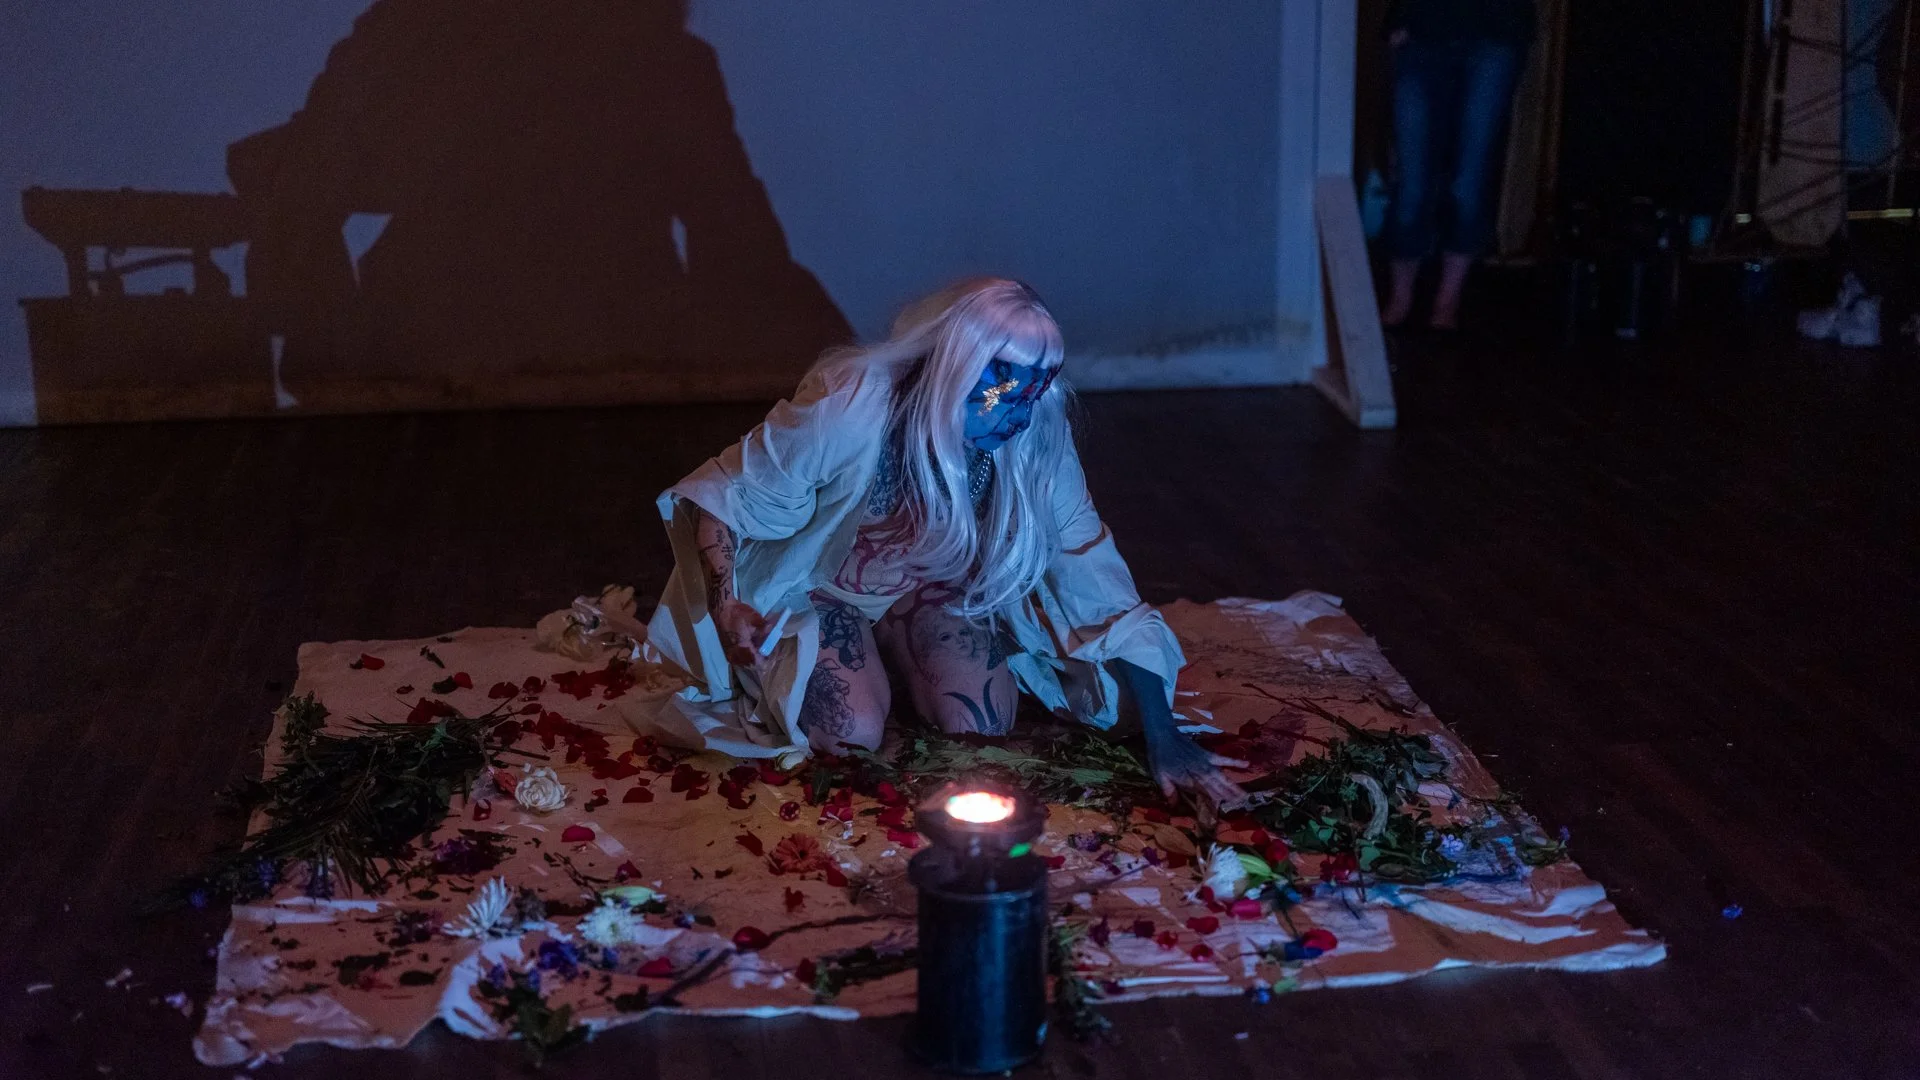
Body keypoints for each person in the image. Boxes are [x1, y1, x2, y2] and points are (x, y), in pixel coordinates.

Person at [628, 278, 1245, 808]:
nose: (1018, 418)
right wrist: (728, 605)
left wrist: (1164, 735)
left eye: (1032, 397)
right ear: (954, 371)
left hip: (928, 590)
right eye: (1003, 395)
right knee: (850, 735)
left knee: (982, 726)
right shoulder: (852, 406)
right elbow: (724, 498)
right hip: (824, 592)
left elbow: (1094, 576)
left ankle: (895, 656)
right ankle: (862, 667)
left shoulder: (1032, 440)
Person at [1379, 0, 1536, 331]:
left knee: (1469, 182)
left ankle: (1447, 301)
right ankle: (1400, 298)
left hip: (1495, 30)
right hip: (1423, 30)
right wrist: (1400, 17)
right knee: (1411, 182)